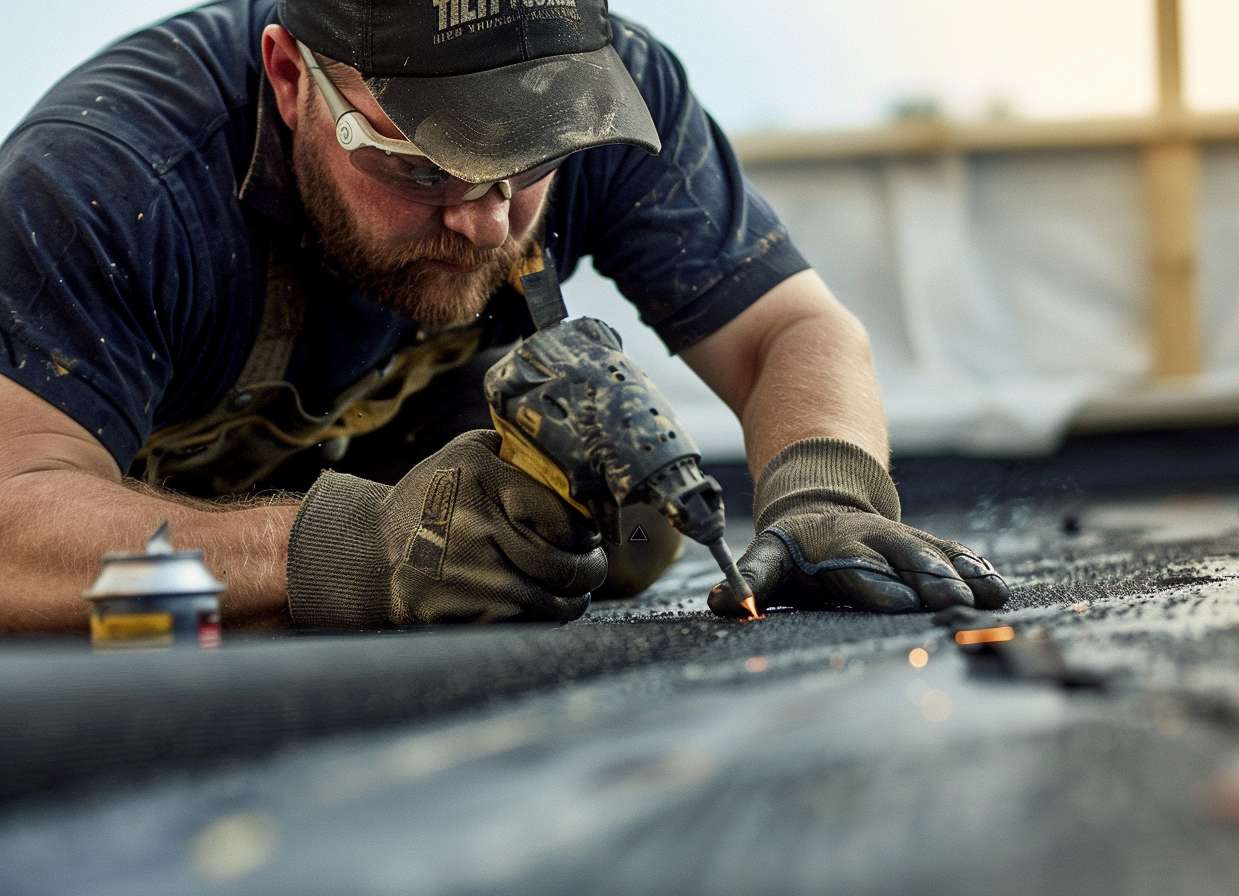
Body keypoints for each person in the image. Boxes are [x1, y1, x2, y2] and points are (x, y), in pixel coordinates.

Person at [0, 0, 1009, 632]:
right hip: (178, 542)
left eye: (531, 162)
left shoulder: (605, 95)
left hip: (439, 477)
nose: (488, 216)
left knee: (628, 534)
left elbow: (792, 330)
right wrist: (351, 547)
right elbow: (11, 518)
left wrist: (825, 487)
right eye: (421, 163)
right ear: (289, 76)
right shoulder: (108, 178)